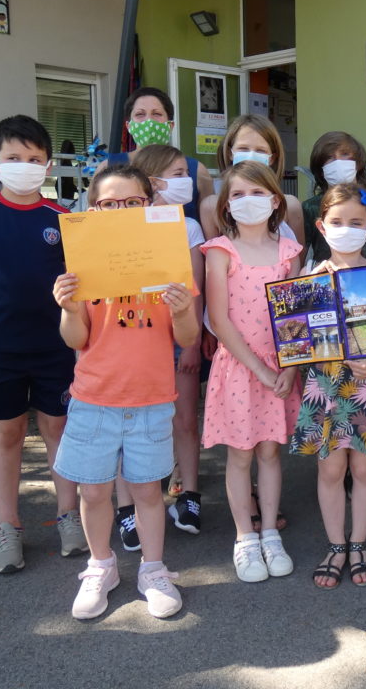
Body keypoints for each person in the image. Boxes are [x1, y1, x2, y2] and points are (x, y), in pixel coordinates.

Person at [51, 164, 199, 620]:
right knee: (94, 493)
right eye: (109, 203)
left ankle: (153, 569)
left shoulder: (168, 263)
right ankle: (101, 566)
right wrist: (69, 308)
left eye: (133, 202)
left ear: (148, 206)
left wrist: (182, 310)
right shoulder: (83, 266)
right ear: (93, 210)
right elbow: (76, 339)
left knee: (148, 492)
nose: (121, 210)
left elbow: (187, 337)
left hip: (152, 400)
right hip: (93, 399)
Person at [0, 115, 87, 575]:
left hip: (55, 347)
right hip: (0, 349)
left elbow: (80, 282)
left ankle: (68, 515)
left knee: (57, 430)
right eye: (13, 157)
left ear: (47, 166)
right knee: (5, 435)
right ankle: (7, 527)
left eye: (33, 158)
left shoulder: (62, 218)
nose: (23, 165)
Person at [291, 183, 366, 588]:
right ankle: (336, 545)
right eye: (337, 221)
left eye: (356, 222)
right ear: (321, 226)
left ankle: (359, 544)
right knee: (331, 468)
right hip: (325, 385)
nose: (346, 229)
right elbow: (294, 339)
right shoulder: (310, 278)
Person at [202, 161, 303, 582]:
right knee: (241, 454)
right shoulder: (220, 251)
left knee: (270, 452)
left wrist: (290, 368)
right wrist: (259, 369)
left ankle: (270, 533)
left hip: (280, 367)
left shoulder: (289, 251)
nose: (248, 201)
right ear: (226, 204)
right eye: (238, 194)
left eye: (257, 192)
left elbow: (296, 317)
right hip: (240, 368)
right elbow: (220, 319)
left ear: (275, 200)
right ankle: (245, 536)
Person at [130, 144, 207, 537]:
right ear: (154, 180)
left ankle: (189, 495)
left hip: (179, 334)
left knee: (185, 418)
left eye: (185, 173)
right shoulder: (125, 223)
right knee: (133, 420)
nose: (186, 181)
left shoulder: (188, 226)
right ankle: (131, 505)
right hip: (135, 335)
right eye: (178, 174)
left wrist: (192, 343)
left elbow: (197, 287)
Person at [103, 87, 212, 220]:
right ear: (129, 126)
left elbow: (211, 222)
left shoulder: (197, 170)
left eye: (157, 114)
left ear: (170, 125)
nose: (149, 121)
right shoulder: (108, 168)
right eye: (140, 114)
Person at [199, 114, 305, 243]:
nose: (251, 156)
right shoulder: (211, 206)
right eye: (243, 149)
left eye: (260, 151)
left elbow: (299, 252)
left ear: (272, 158)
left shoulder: (290, 206)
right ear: (229, 153)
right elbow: (210, 251)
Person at [301, 131, 366, 265]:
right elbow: (299, 258)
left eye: (345, 154)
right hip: (325, 276)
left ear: (358, 163)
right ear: (320, 167)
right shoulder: (309, 208)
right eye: (329, 157)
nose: (338, 162)